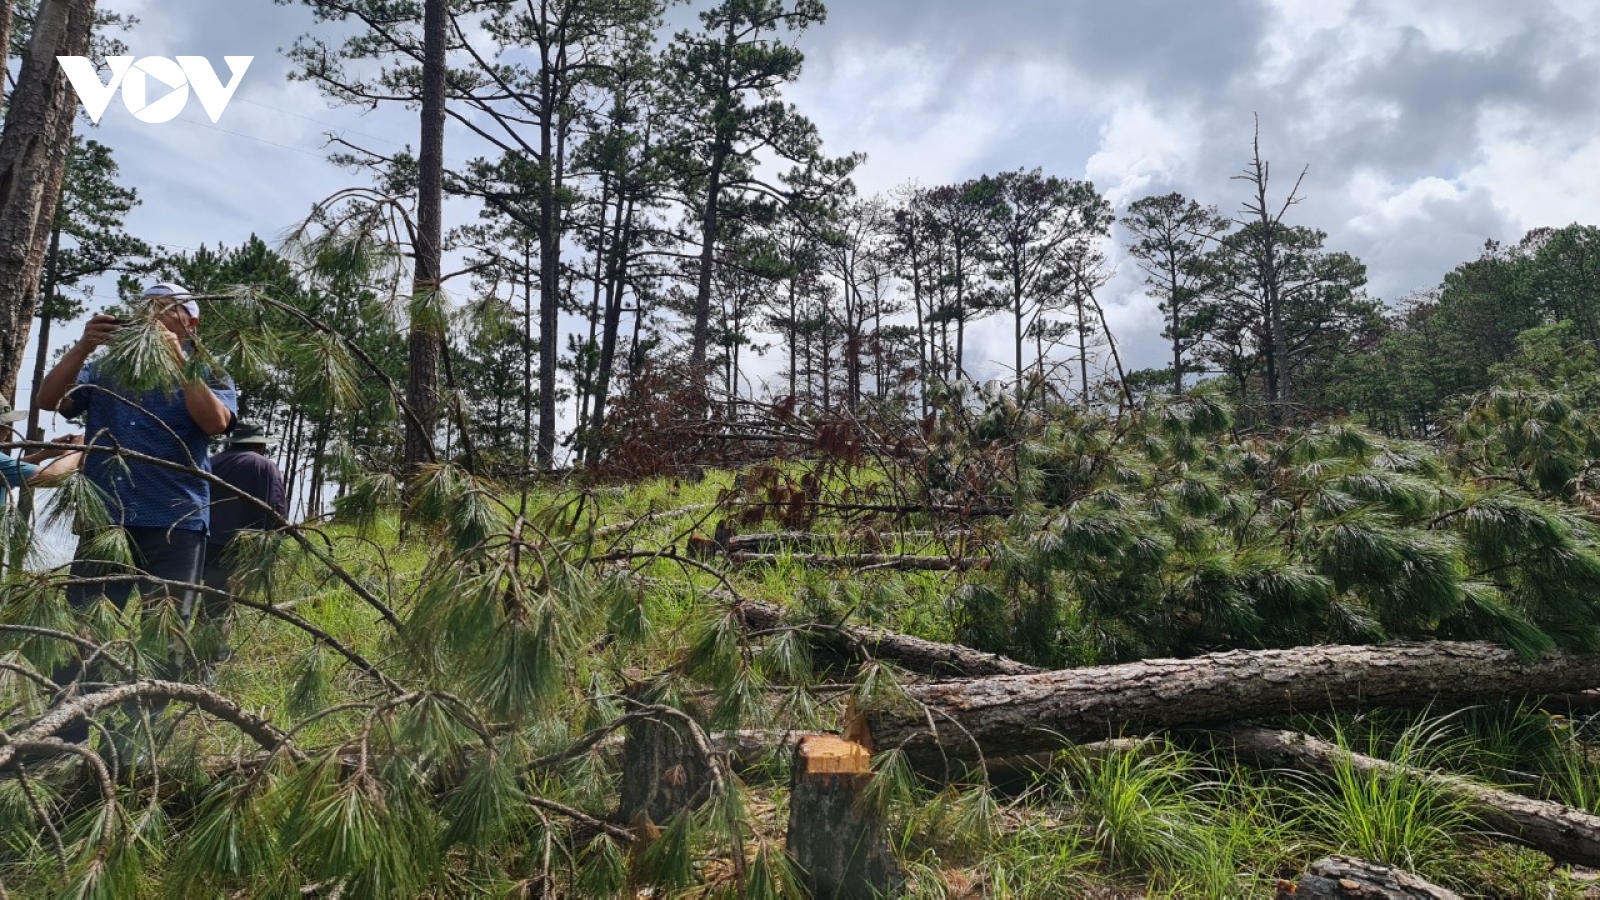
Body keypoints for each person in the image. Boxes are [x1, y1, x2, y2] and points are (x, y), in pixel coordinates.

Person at [35, 282, 237, 610]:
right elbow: (48, 400)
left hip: (175, 520)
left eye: (165, 307)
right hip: (105, 517)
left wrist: (177, 359)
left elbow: (215, 423)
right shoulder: (104, 369)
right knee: (85, 623)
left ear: (192, 323)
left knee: (166, 629)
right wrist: (84, 347)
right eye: (145, 307)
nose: (151, 314)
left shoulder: (210, 373)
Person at [199, 420, 287, 662]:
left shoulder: (211, 462)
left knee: (203, 596)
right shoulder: (265, 466)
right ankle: (211, 655)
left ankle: (195, 650)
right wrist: (274, 543)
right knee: (223, 602)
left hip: (203, 541)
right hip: (240, 546)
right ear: (259, 444)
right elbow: (277, 508)